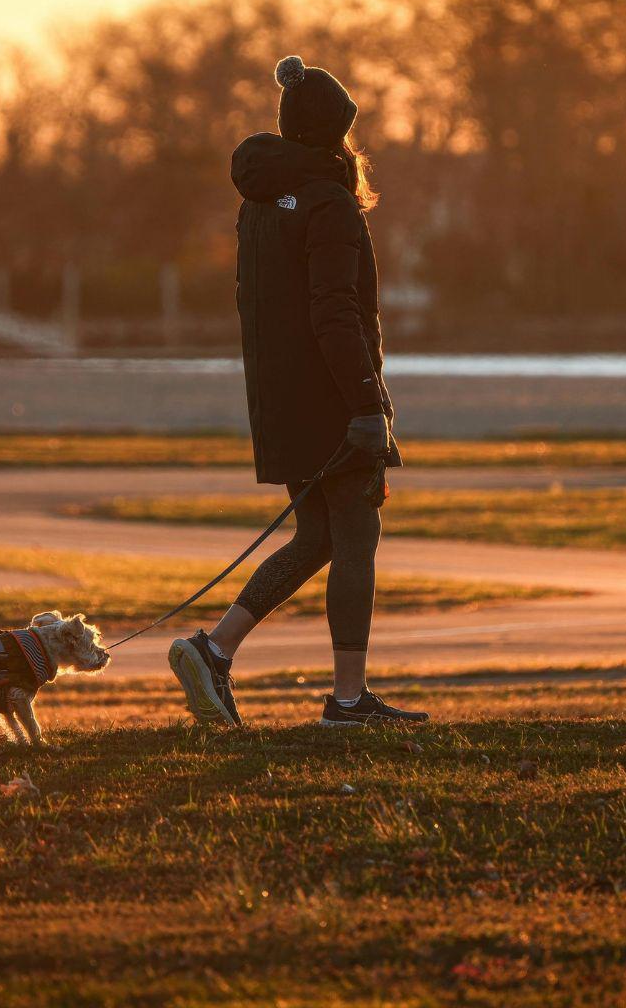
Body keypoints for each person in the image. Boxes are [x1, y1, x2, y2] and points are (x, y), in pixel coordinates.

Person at [168, 55, 430, 728]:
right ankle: (347, 701)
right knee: (356, 536)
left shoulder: (259, 204)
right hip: (333, 403)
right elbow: (336, 314)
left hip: (280, 403)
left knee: (316, 537)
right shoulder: (328, 202)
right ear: (330, 134)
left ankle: (214, 649)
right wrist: (369, 407)